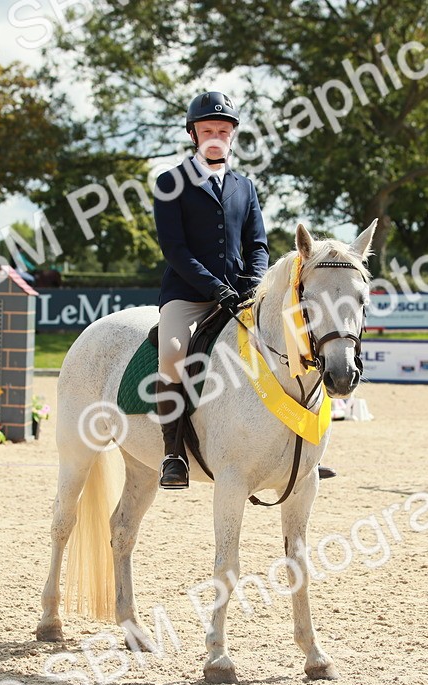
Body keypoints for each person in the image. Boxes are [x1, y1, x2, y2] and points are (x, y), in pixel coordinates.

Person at [152, 90, 269, 489]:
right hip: (188, 295)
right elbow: (175, 249)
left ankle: (293, 452)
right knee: (171, 353)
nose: (216, 135)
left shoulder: (245, 186)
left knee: (288, 343)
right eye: (207, 130)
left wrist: (253, 283)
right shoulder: (170, 182)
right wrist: (214, 286)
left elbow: (258, 244)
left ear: (232, 135)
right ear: (193, 134)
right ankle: (173, 454)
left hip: (242, 293)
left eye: (223, 129)